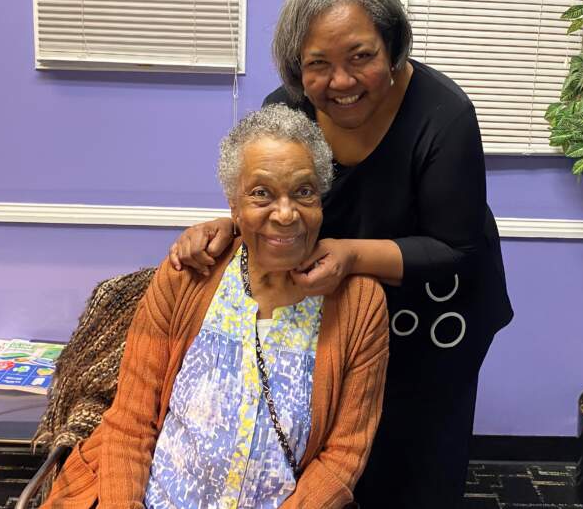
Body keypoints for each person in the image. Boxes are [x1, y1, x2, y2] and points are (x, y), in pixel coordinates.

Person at [168, 0, 514, 508]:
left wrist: (350, 255)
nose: (343, 82)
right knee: (339, 456)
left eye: (362, 56)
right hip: (347, 317)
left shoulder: (443, 116)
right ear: (295, 68)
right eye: (318, 64)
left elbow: (459, 250)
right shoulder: (288, 111)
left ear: (392, 44)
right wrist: (227, 226)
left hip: (436, 314)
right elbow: (277, 198)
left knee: (416, 463)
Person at [42, 105, 389, 509]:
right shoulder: (186, 276)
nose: (285, 213)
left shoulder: (360, 305)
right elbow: (130, 423)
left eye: (304, 191)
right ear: (233, 205)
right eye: (261, 193)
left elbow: (343, 457)